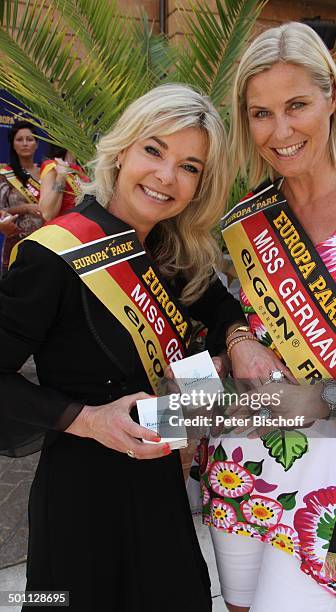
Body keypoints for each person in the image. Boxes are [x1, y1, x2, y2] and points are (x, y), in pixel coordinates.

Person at [0, 84, 251, 611]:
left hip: (160, 488)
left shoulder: (171, 248)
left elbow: (220, 313)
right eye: (153, 150)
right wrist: (88, 420)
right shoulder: (54, 253)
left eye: (190, 166)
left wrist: (232, 347)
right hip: (78, 498)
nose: (166, 177)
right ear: (121, 149)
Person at [201, 22, 336, 612]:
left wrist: (324, 398)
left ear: (332, 99)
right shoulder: (244, 217)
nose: (281, 131)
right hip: (244, 457)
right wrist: (237, 340)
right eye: (261, 113)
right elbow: (224, 317)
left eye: (297, 105)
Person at [0, 120, 43, 275]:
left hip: (45, 243)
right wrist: (25, 208)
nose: (25, 143)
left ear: (37, 144)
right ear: (13, 144)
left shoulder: (48, 172)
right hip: (16, 245)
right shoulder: (5, 175)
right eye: (19, 139)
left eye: (30, 139)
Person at [39, 145, 89, 221]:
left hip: (86, 224)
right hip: (66, 227)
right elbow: (47, 214)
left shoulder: (81, 169)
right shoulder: (53, 166)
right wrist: (61, 177)